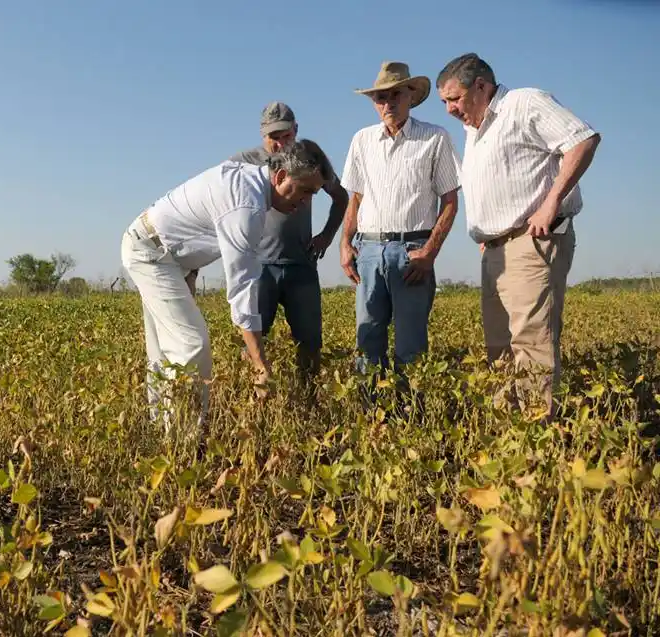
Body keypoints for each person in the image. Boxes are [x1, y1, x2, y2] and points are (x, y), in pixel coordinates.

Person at [120, 140, 335, 436]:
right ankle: (186, 441)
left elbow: (199, 223)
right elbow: (242, 292)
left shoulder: (251, 185)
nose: (307, 202)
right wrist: (260, 365)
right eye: (306, 190)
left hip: (165, 253)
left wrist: (190, 270)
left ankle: (163, 432)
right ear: (282, 176)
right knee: (191, 344)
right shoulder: (247, 207)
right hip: (151, 253)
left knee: (165, 351)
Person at [436, 53, 601, 415]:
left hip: (531, 241)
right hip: (496, 251)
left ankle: (536, 440)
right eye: (444, 101)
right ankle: (507, 438)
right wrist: (487, 234)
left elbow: (583, 141)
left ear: (481, 86)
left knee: (531, 344)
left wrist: (551, 203)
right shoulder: (474, 129)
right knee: (499, 347)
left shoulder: (523, 103)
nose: (448, 109)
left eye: (453, 98)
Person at [338, 61, 462, 382]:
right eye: (380, 97)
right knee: (367, 340)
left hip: (413, 250)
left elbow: (450, 202)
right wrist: (344, 244)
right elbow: (356, 198)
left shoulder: (435, 138)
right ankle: (372, 416)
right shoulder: (361, 140)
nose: (388, 103)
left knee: (411, 344)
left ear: (411, 96)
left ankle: (410, 416)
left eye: (395, 94)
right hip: (368, 249)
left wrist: (430, 252)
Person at [222, 102, 349, 385]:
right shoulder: (242, 161)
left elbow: (341, 197)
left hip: (300, 264)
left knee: (309, 342)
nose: (280, 143)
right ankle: (252, 398)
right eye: (273, 137)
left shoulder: (307, 159)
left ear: (296, 130)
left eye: (285, 135)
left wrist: (327, 235)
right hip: (258, 266)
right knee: (252, 338)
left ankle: (308, 399)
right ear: (262, 134)